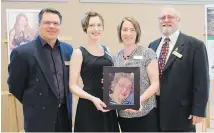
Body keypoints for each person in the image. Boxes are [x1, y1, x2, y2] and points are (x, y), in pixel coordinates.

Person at [7, 8, 73, 132]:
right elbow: (15, 86)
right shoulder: (22, 52)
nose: (51, 26)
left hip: (64, 115)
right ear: (39, 25)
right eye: (47, 22)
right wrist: (35, 103)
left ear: (60, 26)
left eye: (55, 23)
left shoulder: (68, 50)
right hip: (38, 117)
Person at [148, 5, 209, 132]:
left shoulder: (195, 45)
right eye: (162, 17)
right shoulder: (152, 46)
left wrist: (198, 109)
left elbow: (202, 81)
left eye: (170, 17)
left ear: (178, 20)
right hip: (154, 109)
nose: (166, 20)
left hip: (181, 111)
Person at [69, 11, 119, 132]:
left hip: (108, 104)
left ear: (102, 28)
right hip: (89, 105)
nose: (95, 29)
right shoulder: (78, 52)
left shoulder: (107, 49)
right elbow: (72, 86)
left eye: (99, 25)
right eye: (91, 25)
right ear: (85, 28)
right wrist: (93, 99)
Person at [113, 17, 159, 132]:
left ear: (137, 32)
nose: (128, 33)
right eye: (124, 29)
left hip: (146, 114)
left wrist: (138, 100)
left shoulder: (148, 53)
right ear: (120, 32)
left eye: (132, 30)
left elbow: (155, 84)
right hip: (124, 116)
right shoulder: (116, 57)